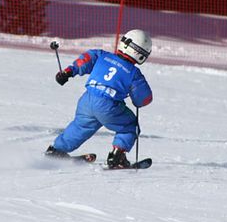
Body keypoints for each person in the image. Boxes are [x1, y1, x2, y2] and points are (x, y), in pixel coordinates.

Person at [45, 29, 153, 168]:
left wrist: (68, 72)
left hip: (87, 100)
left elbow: (86, 59)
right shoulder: (133, 73)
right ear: (141, 55)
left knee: (80, 126)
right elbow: (143, 99)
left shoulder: (102, 55)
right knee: (129, 126)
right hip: (109, 106)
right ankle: (117, 156)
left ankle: (56, 150)